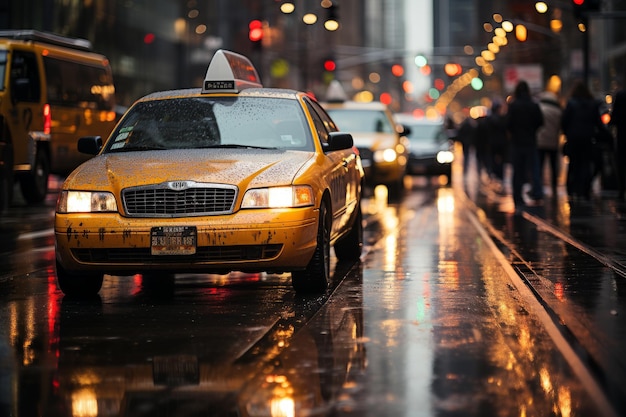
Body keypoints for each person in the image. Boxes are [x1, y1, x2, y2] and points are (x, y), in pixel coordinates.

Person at [561, 80, 604, 200]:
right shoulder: (592, 104)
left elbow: (564, 121)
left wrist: (567, 133)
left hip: (573, 138)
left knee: (573, 164)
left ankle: (571, 189)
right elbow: (598, 123)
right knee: (585, 164)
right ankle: (584, 190)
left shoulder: (571, 103)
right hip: (587, 138)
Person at [506, 80, 544, 209]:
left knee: (518, 171)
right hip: (530, 141)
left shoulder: (513, 105)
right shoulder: (533, 105)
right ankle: (537, 193)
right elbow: (540, 121)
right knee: (534, 168)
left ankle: (518, 198)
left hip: (517, 143)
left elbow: (508, 124)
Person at [536, 90, 563, 198]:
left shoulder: (540, 108)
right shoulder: (558, 111)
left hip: (540, 141)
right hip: (553, 141)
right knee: (553, 165)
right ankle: (554, 185)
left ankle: (540, 186)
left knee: (540, 165)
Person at [610, 82, 626, 200]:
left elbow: (614, 117)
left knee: (621, 162)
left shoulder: (620, 95)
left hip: (622, 134)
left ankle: (622, 189)